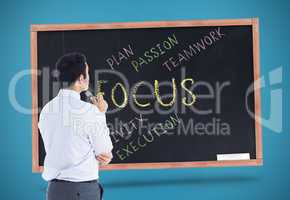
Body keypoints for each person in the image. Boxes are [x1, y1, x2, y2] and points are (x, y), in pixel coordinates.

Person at [38, 52, 113, 200]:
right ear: (81, 78)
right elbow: (104, 151)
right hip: (82, 191)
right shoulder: (89, 111)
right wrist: (101, 113)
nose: (88, 76)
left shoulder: (46, 109)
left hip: (54, 191)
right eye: (87, 73)